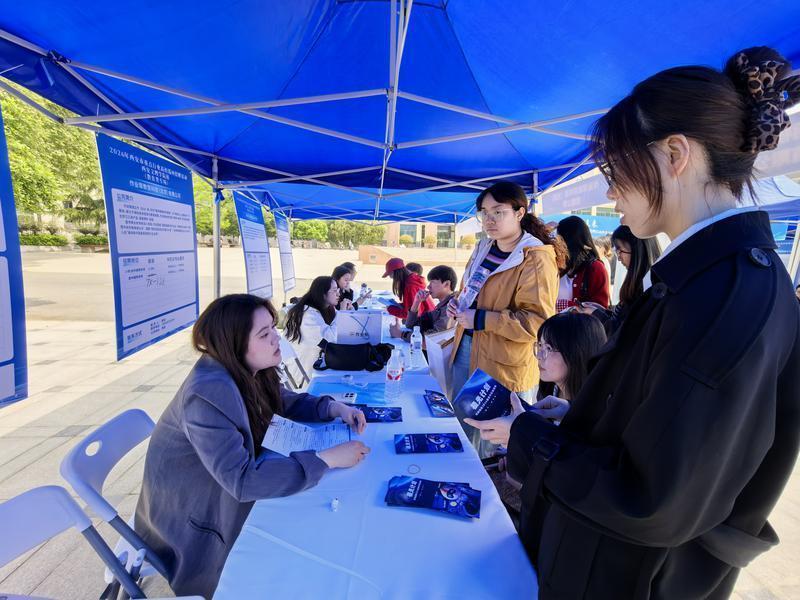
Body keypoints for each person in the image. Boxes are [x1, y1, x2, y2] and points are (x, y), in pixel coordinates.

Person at [468, 46, 800, 599]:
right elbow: (662, 427)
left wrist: (530, 436)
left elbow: (655, 498)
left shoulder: (728, 292)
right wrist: (578, 414)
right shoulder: (704, 278)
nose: (609, 191)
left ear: (675, 154)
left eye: (614, 169)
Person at [134, 294, 370, 598]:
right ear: (234, 344)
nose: (277, 338)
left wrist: (333, 408)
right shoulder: (206, 394)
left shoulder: (245, 368)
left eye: (273, 328)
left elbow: (281, 400)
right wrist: (326, 460)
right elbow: (243, 481)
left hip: (220, 487)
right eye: (264, 334)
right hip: (194, 516)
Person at [446, 180, 565, 457]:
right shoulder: (484, 248)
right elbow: (471, 291)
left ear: (519, 213)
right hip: (466, 349)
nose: (489, 219)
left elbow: (537, 321)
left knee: (496, 446)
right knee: (464, 433)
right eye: (484, 212)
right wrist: (458, 303)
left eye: (498, 211)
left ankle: (495, 499)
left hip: (502, 365)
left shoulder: (534, 257)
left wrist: (480, 318)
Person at [577, 225, 661, 336]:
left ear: (637, 251)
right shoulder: (642, 282)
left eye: (620, 250)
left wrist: (596, 314)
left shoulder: (649, 287)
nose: (619, 257)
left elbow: (626, 332)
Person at [284, 276, 340, 376]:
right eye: (334, 290)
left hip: (317, 363)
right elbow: (331, 339)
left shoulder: (324, 308)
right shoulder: (307, 315)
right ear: (323, 294)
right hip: (306, 372)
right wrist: (342, 315)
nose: (338, 294)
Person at [555, 216, 610, 311]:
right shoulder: (559, 263)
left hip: (578, 325)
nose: (556, 241)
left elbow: (600, 307)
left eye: (559, 237)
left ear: (569, 239)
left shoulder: (596, 267)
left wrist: (567, 306)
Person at [389, 264, 457, 341]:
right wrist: (416, 302)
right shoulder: (441, 306)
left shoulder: (450, 308)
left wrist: (400, 334)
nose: (428, 287)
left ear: (446, 284)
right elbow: (411, 325)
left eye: (433, 282)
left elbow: (432, 340)